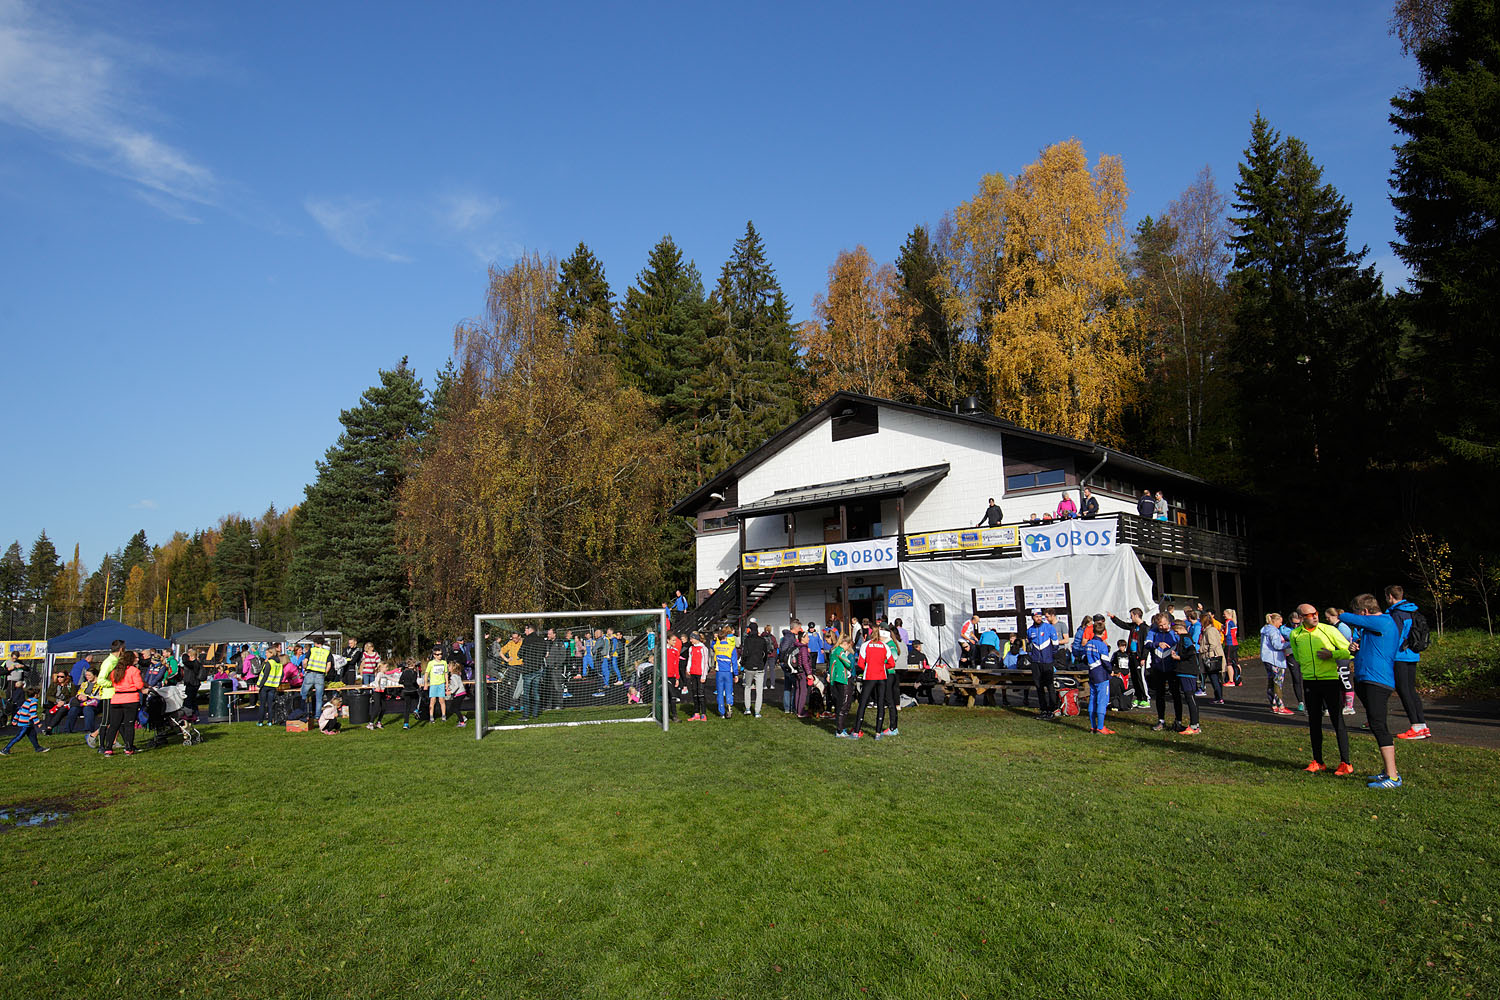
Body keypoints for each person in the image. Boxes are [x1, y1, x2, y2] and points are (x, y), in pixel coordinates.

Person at [1339, 593, 1405, 788]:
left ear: (1365, 612)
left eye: (1358, 613)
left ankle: (1393, 776)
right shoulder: (1372, 627)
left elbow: (1344, 617)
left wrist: (1342, 614)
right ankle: (1388, 772)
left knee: (1378, 725)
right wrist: (1355, 648)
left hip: (1378, 680)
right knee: (1376, 724)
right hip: (1366, 678)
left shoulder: (1383, 621)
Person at [1285, 603, 1355, 776]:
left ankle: (1346, 763)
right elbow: (1298, 657)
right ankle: (1318, 761)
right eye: (1310, 615)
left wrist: (1332, 655)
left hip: (1330, 681)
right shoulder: (1295, 634)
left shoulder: (1328, 630)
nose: (1315, 616)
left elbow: (1349, 651)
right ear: (1301, 618)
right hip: (1310, 682)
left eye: (1315, 613)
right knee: (1314, 722)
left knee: (1337, 721)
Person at [1384, 585, 1431, 740]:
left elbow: (1393, 636)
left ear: (1390, 596)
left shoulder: (1397, 613)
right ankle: (1422, 725)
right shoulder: (1412, 610)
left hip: (1399, 655)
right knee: (1411, 690)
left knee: (1403, 690)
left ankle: (1416, 726)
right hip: (1412, 654)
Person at [852, 628, 893, 739]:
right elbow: (891, 663)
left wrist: (867, 668)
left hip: (869, 676)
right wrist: (882, 667)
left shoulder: (865, 645)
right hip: (881, 677)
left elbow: (860, 663)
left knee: (863, 703)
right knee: (880, 704)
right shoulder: (885, 646)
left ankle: (856, 731)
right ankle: (878, 733)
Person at [1109, 608, 1152, 710]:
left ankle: (1146, 698)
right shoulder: (1133, 626)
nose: (1131, 618)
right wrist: (1113, 618)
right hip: (1131, 656)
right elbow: (1123, 625)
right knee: (1135, 678)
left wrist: (1143, 658)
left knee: (1140, 678)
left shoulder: (1145, 628)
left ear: (1136, 615)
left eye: (1132, 616)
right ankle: (1139, 697)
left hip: (1139, 657)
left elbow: (1146, 645)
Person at [102, 651, 143, 756]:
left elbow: (113, 683)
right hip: (131, 699)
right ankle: (128, 748)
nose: (137, 659)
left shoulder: (115, 671)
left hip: (116, 699)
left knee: (114, 725)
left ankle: (108, 748)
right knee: (129, 725)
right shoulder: (134, 670)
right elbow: (139, 685)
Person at [1168, 619, 1202, 734]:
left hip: (1187, 671)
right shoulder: (1184, 638)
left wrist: (1179, 657)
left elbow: (1191, 651)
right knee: (1190, 697)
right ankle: (1195, 724)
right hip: (1185, 671)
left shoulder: (1185, 638)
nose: (1175, 633)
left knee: (1190, 697)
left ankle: (1194, 726)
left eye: (1176, 631)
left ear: (1179, 629)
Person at [1025, 609, 1060, 719]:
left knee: (1050, 686)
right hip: (1036, 662)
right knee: (1039, 686)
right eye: (1036, 616)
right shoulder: (1030, 630)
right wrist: (1032, 656)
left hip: (1047, 662)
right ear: (1032, 617)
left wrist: (1049, 655)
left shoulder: (1049, 628)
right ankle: (1043, 710)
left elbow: (1056, 644)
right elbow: (1029, 645)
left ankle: (1053, 709)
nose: (1038, 618)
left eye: (1040, 616)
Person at [1145, 613, 1178, 732]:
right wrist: (1157, 644)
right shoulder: (1153, 631)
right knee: (1160, 695)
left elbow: (1182, 644)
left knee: (1176, 695)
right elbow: (1146, 644)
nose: (1163, 627)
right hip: (1158, 668)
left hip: (1172, 668)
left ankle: (1178, 721)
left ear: (1168, 622)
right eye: (1160, 625)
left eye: (1164, 624)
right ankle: (1161, 720)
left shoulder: (1174, 631)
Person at [1259, 614, 1294, 716]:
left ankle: (1274, 705)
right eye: (1280, 622)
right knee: (1278, 683)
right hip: (1275, 660)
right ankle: (1280, 706)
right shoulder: (1273, 631)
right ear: (1274, 621)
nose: (1281, 624)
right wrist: (1290, 643)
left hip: (1267, 658)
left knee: (1271, 681)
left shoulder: (1266, 629)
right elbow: (1277, 645)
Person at [1, 686, 47, 755]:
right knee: (18, 737)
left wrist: (15, 719)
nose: (39, 695)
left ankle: (38, 748)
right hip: (25, 724)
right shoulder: (33, 703)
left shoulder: (27, 701)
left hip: (28, 724)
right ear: (35, 695)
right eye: (38, 694)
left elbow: (20, 711)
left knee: (33, 735)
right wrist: (38, 723)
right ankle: (5, 749)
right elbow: (33, 714)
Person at [740, 619, 767, 718]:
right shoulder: (762, 640)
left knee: (747, 687)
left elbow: (744, 654)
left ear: (749, 630)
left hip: (749, 666)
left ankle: (747, 709)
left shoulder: (747, 640)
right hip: (759, 666)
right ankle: (757, 712)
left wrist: (743, 664)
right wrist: (763, 664)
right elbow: (765, 654)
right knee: (759, 690)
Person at [830, 634, 854, 736]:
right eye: (848, 645)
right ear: (845, 643)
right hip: (842, 679)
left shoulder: (834, 651)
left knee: (841, 704)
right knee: (844, 704)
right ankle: (840, 730)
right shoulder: (839, 651)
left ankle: (841, 727)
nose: (848, 647)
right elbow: (847, 663)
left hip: (837, 679)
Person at [712, 627, 738, 719]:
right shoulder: (731, 648)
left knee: (719, 692)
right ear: (726, 637)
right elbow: (734, 662)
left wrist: (715, 639)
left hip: (719, 672)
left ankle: (721, 712)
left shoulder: (716, 647)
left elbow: (712, 645)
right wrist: (736, 674)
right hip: (728, 672)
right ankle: (729, 707)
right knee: (728, 691)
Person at [255, 650, 286, 727]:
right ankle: (270, 721)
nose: (266, 654)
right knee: (270, 705)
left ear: (271, 653)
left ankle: (260, 722)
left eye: (267, 653)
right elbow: (282, 675)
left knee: (262, 704)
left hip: (265, 686)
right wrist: (278, 683)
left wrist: (259, 686)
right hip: (273, 686)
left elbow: (265, 675)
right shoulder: (279, 664)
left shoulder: (270, 663)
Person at [1200, 615, 1226, 704]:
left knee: (1214, 678)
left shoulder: (1209, 631)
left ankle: (1219, 697)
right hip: (1215, 656)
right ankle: (1218, 697)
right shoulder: (1212, 629)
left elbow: (1213, 644)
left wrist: (1203, 649)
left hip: (1211, 657)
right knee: (1216, 678)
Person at [686, 632, 709, 721]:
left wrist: (704, 676)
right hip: (693, 673)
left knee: (701, 693)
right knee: (694, 693)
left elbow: (705, 662)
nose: (690, 640)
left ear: (696, 638)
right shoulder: (691, 648)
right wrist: (688, 668)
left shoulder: (703, 648)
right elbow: (690, 659)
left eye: (692, 639)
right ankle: (696, 713)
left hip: (700, 674)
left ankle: (703, 713)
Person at [663, 634, 681, 723]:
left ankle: (668, 715)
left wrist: (677, 678)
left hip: (673, 677)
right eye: (673, 640)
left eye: (675, 640)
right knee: (672, 696)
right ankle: (674, 716)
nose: (675, 642)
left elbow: (676, 665)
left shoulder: (675, 651)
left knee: (671, 697)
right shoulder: (663, 650)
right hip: (665, 677)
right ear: (668, 640)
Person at [399, 659, 421, 728]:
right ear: (413, 664)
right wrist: (418, 687)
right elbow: (414, 681)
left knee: (407, 707)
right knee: (418, 697)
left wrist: (405, 684)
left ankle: (406, 723)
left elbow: (400, 681)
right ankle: (416, 709)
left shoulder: (404, 672)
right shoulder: (414, 672)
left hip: (406, 691)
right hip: (413, 690)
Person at [1222, 609, 1241, 686]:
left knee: (1229, 663)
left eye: (1224, 614)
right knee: (1236, 662)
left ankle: (1231, 680)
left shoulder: (1228, 622)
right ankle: (1238, 679)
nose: (1223, 616)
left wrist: (1222, 629)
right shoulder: (1233, 622)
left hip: (1229, 644)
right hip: (1235, 643)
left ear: (1228, 614)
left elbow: (1226, 633)